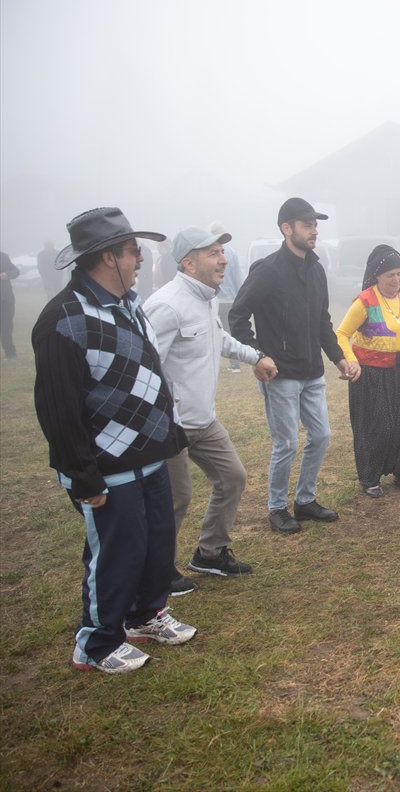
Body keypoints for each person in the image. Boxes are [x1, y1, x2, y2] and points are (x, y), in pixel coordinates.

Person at [32, 207, 194, 674]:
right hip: (106, 466)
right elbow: (58, 410)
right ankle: (97, 643)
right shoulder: (62, 320)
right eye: (132, 250)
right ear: (108, 257)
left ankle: (146, 615)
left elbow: (148, 375)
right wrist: (84, 476)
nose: (140, 258)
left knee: (156, 543)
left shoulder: (128, 303)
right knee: (117, 553)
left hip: (150, 455)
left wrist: (170, 434)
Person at [144, 226, 279, 592]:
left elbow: (219, 339)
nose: (223, 260)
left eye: (222, 252)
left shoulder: (204, 298)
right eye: (213, 253)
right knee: (175, 498)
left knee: (232, 477)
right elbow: (145, 365)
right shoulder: (166, 305)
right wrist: (163, 417)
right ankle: (159, 571)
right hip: (170, 425)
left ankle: (210, 553)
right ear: (189, 263)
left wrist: (257, 356)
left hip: (203, 420)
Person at [229, 197, 359, 534]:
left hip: (312, 371)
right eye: (307, 224)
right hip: (280, 374)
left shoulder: (316, 270)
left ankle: (304, 501)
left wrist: (340, 358)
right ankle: (276, 508)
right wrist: (257, 355)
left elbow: (322, 323)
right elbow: (238, 316)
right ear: (287, 229)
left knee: (321, 435)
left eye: (316, 224)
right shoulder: (268, 269)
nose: (314, 230)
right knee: (286, 443)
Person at [335, 244, 400, 497]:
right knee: (378, 426)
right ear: (378, 276)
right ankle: (370, 477)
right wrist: (350, 360)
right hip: (372, 375)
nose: (396, 280)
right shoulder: (365, 301)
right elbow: (342, 334)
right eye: (390, 275)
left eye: (399, 273)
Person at [212, 221, 245, 373]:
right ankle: (235, 363)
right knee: (231, 331)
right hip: (231, 299)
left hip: (215, 300)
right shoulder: (232, 252)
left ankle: (215, 364)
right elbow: (238, 277)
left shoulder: (209, 253)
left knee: (214, 332)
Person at [0, 249, 17, 359]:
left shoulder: (3, 256)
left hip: (5, 299)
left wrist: (8, 274)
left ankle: (10, 353)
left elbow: (16, 271)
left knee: (6, 328)